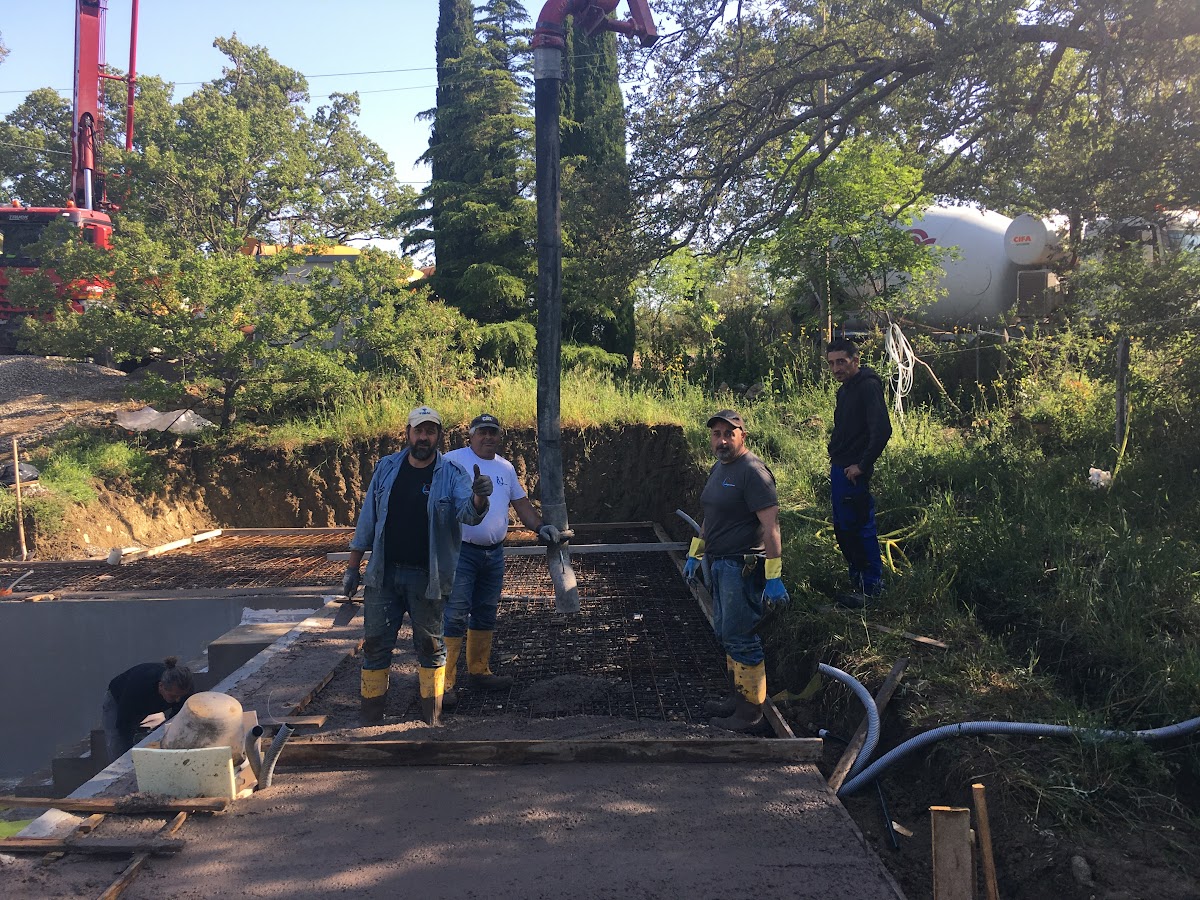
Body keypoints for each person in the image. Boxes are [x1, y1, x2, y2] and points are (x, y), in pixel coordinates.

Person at [340, 405, 492, 726]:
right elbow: (367, 520)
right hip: (383, 575)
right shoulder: (386, 468)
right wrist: (353, 567)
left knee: (429, 647)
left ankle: (431, 724)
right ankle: (370, 723)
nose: (424, 437)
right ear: (407, 433)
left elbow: (468, 511)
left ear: (439, 435)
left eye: (430, 431)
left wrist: (480, 498)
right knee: (376, 646)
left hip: (427, 578)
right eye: (418, 430)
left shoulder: (452, 475)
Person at [442, 414, 562, 707]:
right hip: (461, 552)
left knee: (485, 612)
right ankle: (442, 683)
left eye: (493, 433)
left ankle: (479, 671)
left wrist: (540, 526)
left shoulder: (505, 468)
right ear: (470, 436)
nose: (488, 438)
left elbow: (521, 504)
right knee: (455, 614)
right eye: (482, 432)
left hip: (494, 553)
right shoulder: (451, 461)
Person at [682, 409, 789, 733]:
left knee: (741, 638)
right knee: (726, 635)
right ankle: (737, 697)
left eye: (729, 434)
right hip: (717, 562)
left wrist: (773, 575)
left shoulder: (753, 472)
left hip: (741, 566)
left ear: (743, 436)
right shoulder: (719, 468)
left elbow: (771, 527)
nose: (722, 440)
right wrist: (694, 554)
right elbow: (710, 518)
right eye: (717, 434)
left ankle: (749, 714)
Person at [825, 337, 893, 608]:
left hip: (854, 471)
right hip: (841, 468)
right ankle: (857, 581)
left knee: (860, 526)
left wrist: (862, 465)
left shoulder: (867, 387)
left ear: (856, 360)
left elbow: (882, 431)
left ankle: (872, 587)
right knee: (843, 528)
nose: (836, 368)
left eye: (841, 361)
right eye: (831, 363)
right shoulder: (845, 390)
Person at [101, 656, 194, 762]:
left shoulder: (185, 688)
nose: (178, 700)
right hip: (117, 700)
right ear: (161, 686)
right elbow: (123, 726)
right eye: (173, 696)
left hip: (147, 701)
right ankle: (118, 770)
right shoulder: (136, 690)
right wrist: (130, 758)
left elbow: (178, 719)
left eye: (181, 696)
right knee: (117, 739)